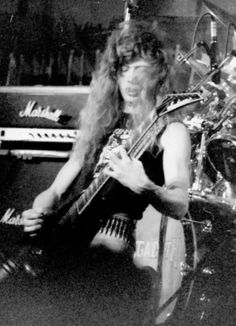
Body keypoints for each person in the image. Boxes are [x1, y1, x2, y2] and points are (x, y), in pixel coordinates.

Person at [19, 19, 191, 325]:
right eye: (125, 69)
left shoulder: (170, 130)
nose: (131, 80)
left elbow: (179, 203)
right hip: (61, 236)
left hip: (110, 243)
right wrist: (38, 211)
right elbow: (57, 190)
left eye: (142, 70)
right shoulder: (101, 120)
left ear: (159, 74)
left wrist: (146, 187)